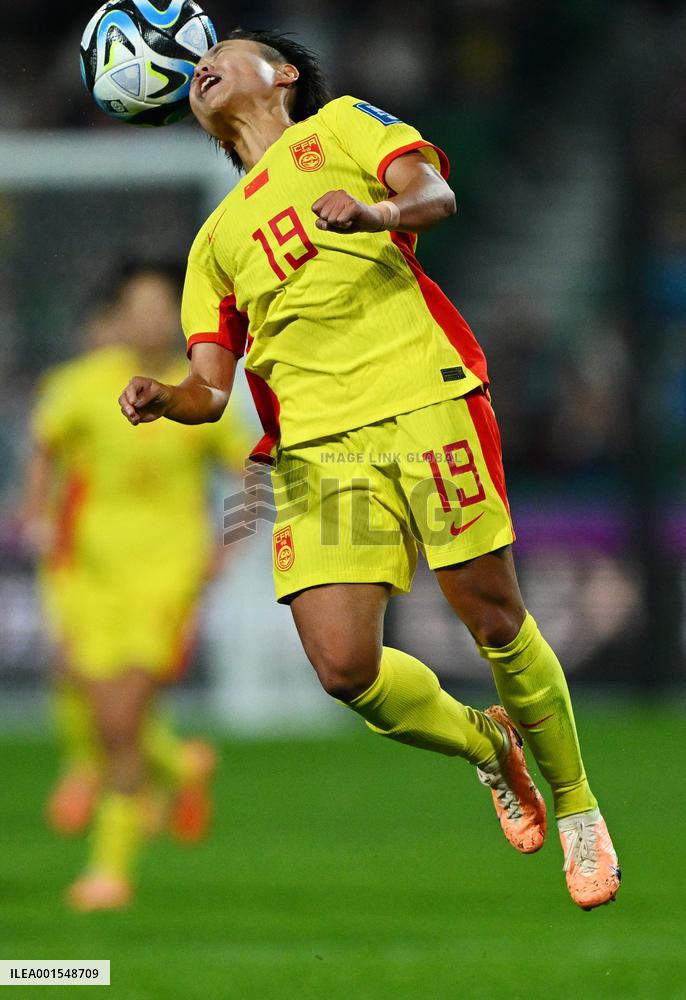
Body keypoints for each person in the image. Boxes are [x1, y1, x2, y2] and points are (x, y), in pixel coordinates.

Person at [118, 30, 620, 910]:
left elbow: (435, 193)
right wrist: (164, 396)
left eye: (228, 49)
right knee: (346, 667)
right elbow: (209, 389)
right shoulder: (212, 245)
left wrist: (378, 214)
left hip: (420, 396)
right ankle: (488, 746)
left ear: (281, 75)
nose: (204, 62)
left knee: (494, 615)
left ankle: (579, 807)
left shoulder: (344, 126)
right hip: (317, 450)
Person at [26, 261, 250, 911]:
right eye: (141, 305)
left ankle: (110, 870)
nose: (153, 317)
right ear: (119, 316)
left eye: (164, 305)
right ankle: (180, 770)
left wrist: (227, 546)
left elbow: (252, 472)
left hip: (166, 577)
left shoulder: (201, 389)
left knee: (121, 720)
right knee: (101, 717)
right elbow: (45, 451)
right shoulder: (77, 386)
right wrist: (38, 516)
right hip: (89, 574)